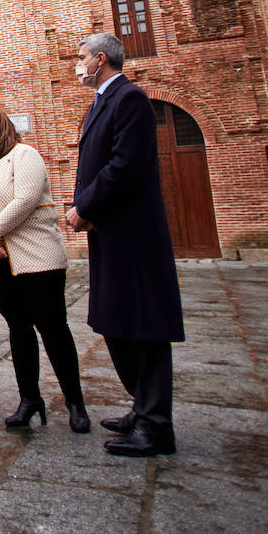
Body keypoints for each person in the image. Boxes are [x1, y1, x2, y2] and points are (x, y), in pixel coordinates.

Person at [64, 32, 184, 457]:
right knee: (117, 323)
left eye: (80, 58)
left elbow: (125, 165)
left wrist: (85, 206)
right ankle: (143, 406)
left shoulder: (129, 98)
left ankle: (156, 426)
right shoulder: (102, 101)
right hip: (110, 233)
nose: (76, 64)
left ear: (100, 60)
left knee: (143, 325)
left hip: (131, 233)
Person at [0, 109, 89, 433]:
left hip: (37, 258)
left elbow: (25, 200)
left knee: (53, 329)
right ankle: (29, 399)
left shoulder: (25, 155)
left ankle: (75, 402)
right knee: (18, 328)